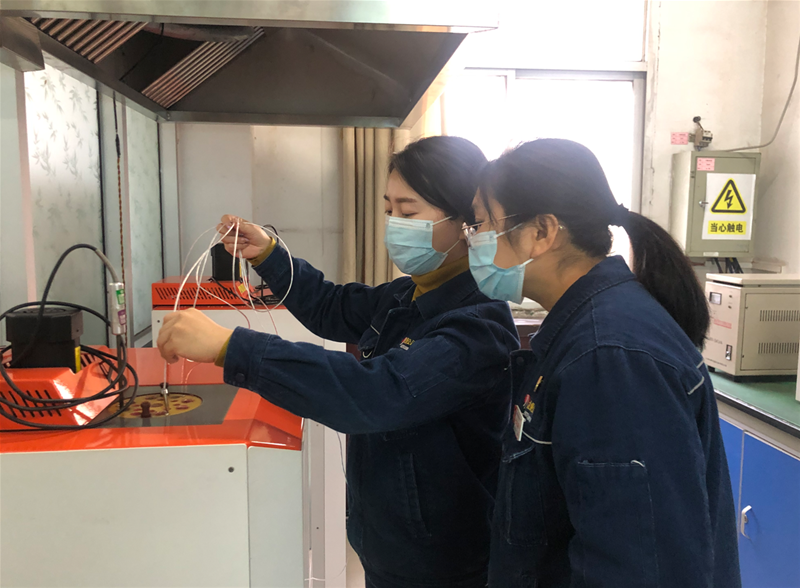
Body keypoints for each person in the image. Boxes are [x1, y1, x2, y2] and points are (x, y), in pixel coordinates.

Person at [157, 136, 520, 588]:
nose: (394, 225)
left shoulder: (477, 328)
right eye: (388, 210)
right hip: (390, 545)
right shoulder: (406, 295)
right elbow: (331, 306)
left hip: (444, 563)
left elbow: (377, 392)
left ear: (467, 222)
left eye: (408, 213)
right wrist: (269, 254)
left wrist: (232, 347)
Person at [464, 139, 740, 588]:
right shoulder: (588, 331)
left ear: (542, 231)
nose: (472, 240)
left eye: (480, 224)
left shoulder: (608, 358)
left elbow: (638, 566)